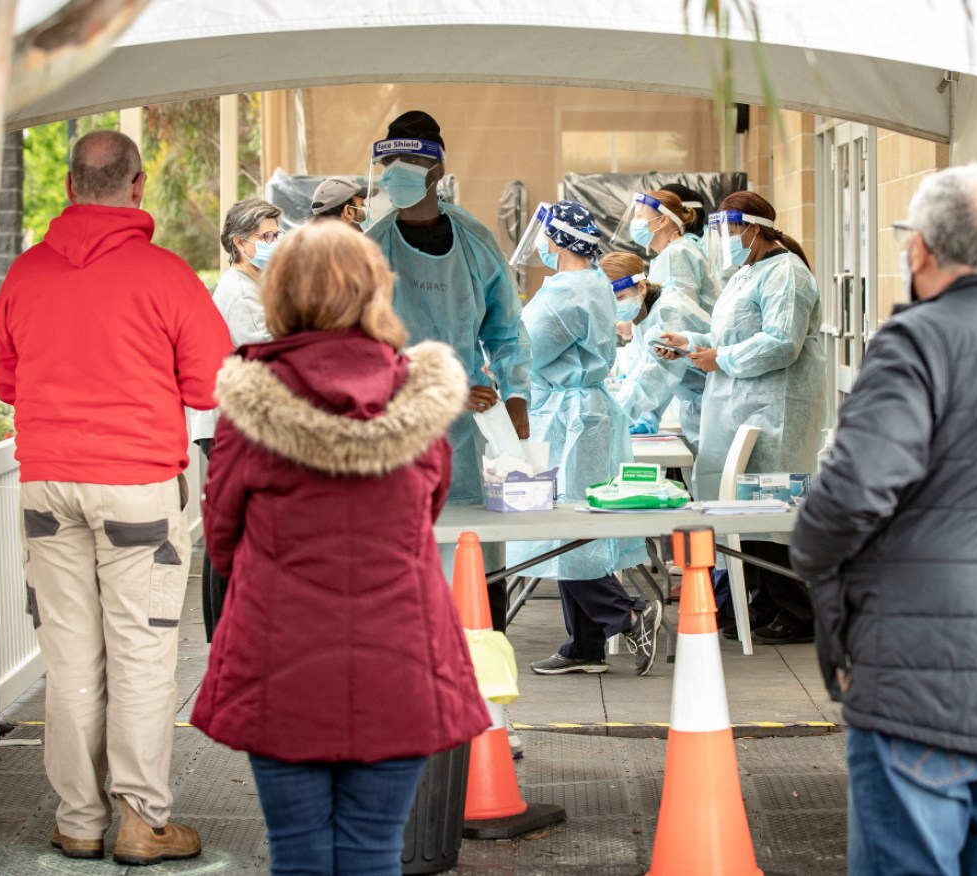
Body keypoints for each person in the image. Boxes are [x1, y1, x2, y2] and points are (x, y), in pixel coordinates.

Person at [789, 164, 977, 876]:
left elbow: (851, 493)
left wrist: (808, 552)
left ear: (918, 248)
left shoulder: (918, 341)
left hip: (922, 680)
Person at [190, 222, 489, 876]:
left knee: (297, 854)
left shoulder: (248, 400)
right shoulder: (419, 398)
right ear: (374, 292)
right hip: (401, 658)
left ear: (280, 294)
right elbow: (428, 506)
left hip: (279, 656)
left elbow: (221, 539)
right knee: (374, 852)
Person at [0, 130, 230, 865]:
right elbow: (209, 384)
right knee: (141, 654)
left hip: (44, 485)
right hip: (135, 491)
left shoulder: (25, 276)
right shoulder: (165, 277)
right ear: (137, 187)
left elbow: (7, 383)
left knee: (69, 657)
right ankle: (141, 820)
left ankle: (78, 821)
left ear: (68, 187)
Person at [365, 110, 531, 629]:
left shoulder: (475, 242)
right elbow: (359, 354)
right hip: (397, 430)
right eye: (389, 160)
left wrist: (518, 399)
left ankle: (479, 688)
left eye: (411, 160)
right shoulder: (370, 249)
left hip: (467, 434)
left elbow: (506, 331)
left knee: (472, 570)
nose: (397, 171)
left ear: (437, 171)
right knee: (404, 575)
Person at [655, 191, 825, 646]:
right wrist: (690, 343)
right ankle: (763, 606)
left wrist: (722, 358)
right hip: (740, 403)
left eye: (731, 230)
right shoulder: (745, 273)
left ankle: (798, 613)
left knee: (769, 511)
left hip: (774, 409)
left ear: (753, 228)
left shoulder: (787, 274)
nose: (726, 239)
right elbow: (723, 334)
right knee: (744, 511)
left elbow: (781, 343)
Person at [504, 201, 659, 676]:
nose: (542, 246)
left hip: (569, 419)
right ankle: (585, 645)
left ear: (557, 240)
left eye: (547, 238)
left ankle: (625, 613)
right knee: (577, 523)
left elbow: (523, 351)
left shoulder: (562, 294)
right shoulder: (592, 282)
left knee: (564, 527)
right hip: (587, 415)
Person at [188, 196, 283, 641]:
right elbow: (265, 349)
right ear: (240, 243)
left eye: (276, 234)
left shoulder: (258, 283)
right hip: (231, 425)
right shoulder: (238, 290)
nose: (274, 243)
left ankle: (237, 624)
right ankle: (226, 627)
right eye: (266, 237)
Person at [600, 251, 710, 451]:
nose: (616, 307)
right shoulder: (645, 313)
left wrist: (612, 420)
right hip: (698, 403)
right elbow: (644, 371)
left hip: (713, 402)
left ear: (641, 287)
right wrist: (648, 416)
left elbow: (654, 377)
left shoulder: (668, 313)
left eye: (620, 297)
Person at [619, 189, 721, 313]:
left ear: (663, 220)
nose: (634, 222)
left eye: (639, 216)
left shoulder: (676, 254)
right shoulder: (677, 249)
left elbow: (679, 313)